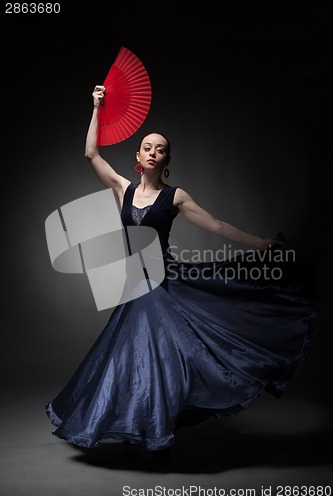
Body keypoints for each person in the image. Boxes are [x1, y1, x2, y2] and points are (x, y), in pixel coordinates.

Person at [46, 85, 315, 457]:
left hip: (160, 279)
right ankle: (141, 422)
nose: (154, 152)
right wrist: (95, 106)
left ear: (166, 158)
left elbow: (218, 226)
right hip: (133, 283)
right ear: (137, 155)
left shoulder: (176, 197)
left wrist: (261, 242)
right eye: (148, 147)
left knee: (155, 353)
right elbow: (90, 152)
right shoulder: (121, 188)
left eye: (161, 148)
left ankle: (154, 425)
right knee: (129, 354)